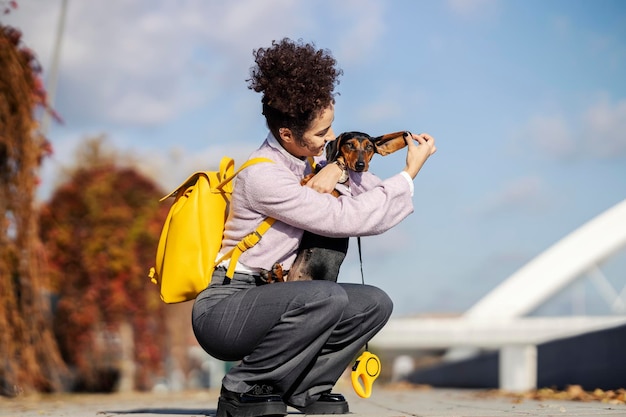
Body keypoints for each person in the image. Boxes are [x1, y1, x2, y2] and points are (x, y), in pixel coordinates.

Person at [191, 38, 436, 417]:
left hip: (280, 295)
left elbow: (376, 205)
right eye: (321, 135)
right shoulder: (263, 177)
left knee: (373, 303)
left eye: (330, 131)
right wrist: (409, 174)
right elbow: (347, 219)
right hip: (227, 308)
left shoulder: (315, 164)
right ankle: (241, 388)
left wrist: (353, 168)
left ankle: (308, 389)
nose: (328, 143)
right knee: (326, 295)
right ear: (287, 135)